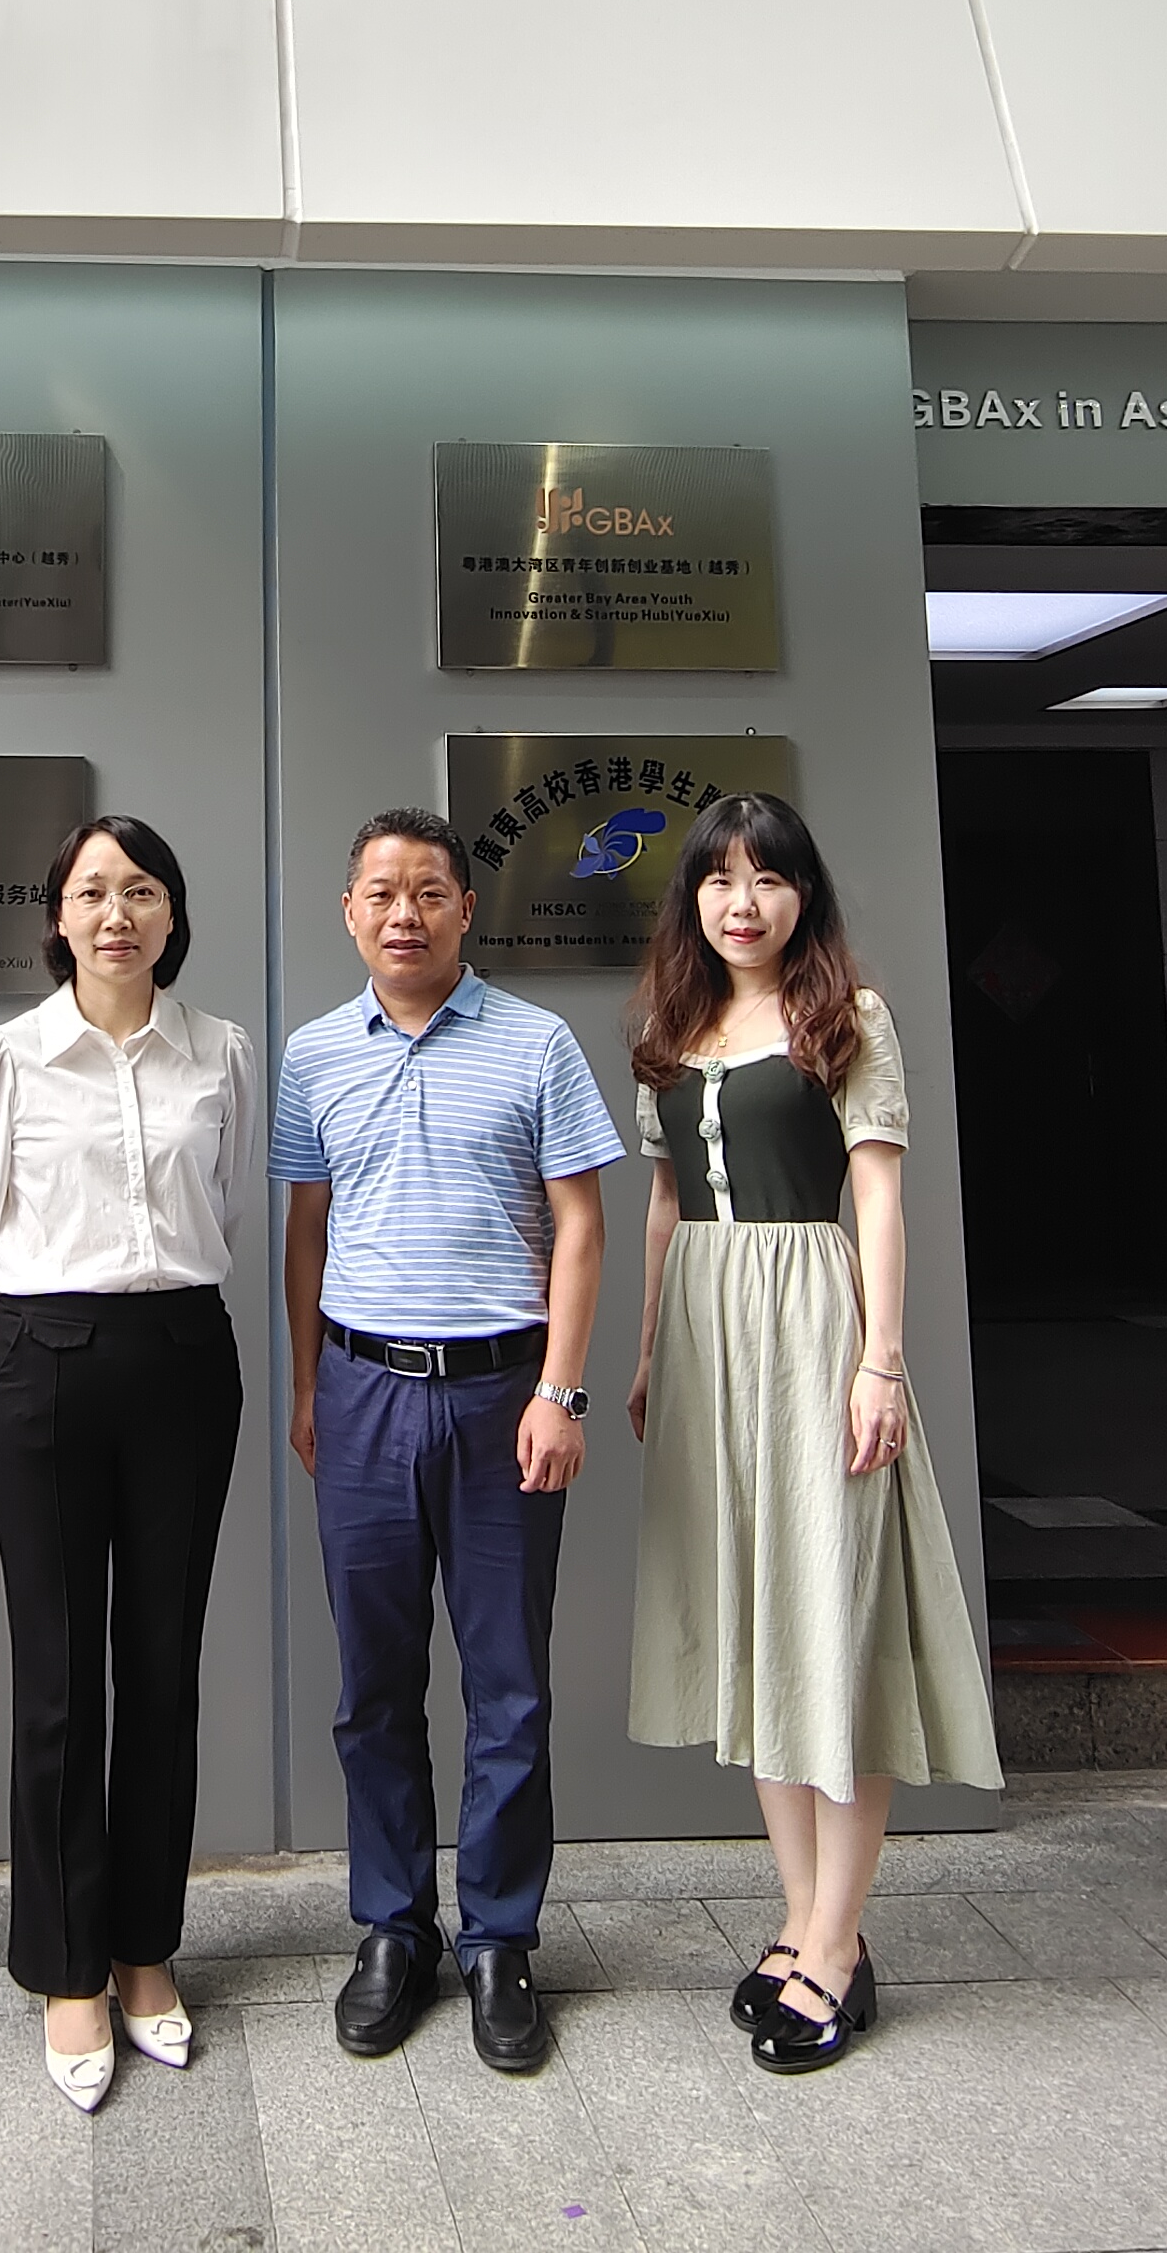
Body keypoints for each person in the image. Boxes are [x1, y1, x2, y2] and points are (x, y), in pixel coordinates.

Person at [621, 792, 1000, 2074]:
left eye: (767, 879)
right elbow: (664, 1203)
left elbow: (878, 1196)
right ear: (690, 898)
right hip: (704, 1333)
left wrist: (878, 1362)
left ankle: (836, 1941)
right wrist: (647, 1349)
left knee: (828, 1618)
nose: (742, 903)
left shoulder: (847, 1018)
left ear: (802, 896)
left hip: (808, 1324)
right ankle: (796, 1920)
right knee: (755, 1622)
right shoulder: (668, 1027)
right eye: (718, 880)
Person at [278, 808, 621, 2078]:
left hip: (499, 1397)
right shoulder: (316, 1053)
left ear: (464, 911)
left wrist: (560, 1392)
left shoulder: (535, 1043)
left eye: (427, 891)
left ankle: (497, 1939)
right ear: (349, 913)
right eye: (380, 892)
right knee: (372, 1684)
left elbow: (580, 1224)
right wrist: (308, 1387)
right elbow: (306, 1229)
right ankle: (392, 1927)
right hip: (361, 1393)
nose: (403, 913)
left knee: (506, 1684)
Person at [0, 817, 257, 2114]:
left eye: (140, 891)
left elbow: (223, 1204)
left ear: (171, 915)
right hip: (46, 1363)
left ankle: (143, 1951)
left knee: (164, 1668)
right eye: (91, 892)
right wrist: (56, 1328)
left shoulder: (220, 1050)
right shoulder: (4, 1056)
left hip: (183, 1355)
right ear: (57, 917)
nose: (115, 913)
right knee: (59, 1677)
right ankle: (67, 1966)